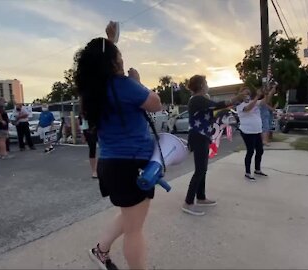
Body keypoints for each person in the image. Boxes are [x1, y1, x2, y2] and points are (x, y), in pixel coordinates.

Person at [75, 21, 162, 270]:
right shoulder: (125, 85)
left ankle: (100, 251)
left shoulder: (92, 91)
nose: (123, 60)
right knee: (135, 229)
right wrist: (138, 81)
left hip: (111, 164)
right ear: (114, 63)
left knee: (129, 215)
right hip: (132, 165)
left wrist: (109, 43)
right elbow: (156, 103)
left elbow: (99, 64)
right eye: (119, 57)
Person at [182, 75, 247, 216]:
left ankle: (201, 197)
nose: (207, 85)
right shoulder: (197, 99)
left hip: (203, 136)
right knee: (200, 170)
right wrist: (236, 98)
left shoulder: (201, 100)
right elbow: (218, 104)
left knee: (203, 169)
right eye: (205, 82)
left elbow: (212, 115)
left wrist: (229, 108)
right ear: (200, 85)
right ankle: (188, 202)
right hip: (198, 136)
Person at [236, 86, 276, 181]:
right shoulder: (240, 105)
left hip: (257, 131)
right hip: (247, 131)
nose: (247, 95)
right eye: (245, 94)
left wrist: (269, 92)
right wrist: (257, 97)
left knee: (260, 150)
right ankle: (247, 173)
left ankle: (257, 170)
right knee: (250, 151)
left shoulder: (254, 102)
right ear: (241, 95)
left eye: (248, 93)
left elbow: (264, 101)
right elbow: (248, 109)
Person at [80, 113, 98, 178]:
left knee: (105, 148)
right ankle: (94, 171)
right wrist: (82, 135)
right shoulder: (85, 108)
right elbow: (81, 123)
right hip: (89, 131)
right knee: (92, 150)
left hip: (100, 129)